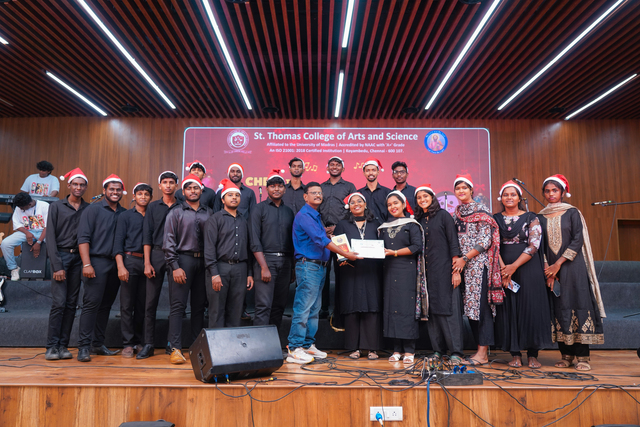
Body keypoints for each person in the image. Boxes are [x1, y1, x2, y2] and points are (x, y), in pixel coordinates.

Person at [286, 182, 358, 364]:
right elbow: (320, 240)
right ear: (305, 196)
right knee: (303, 307)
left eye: (320, 192)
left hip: (319, 266)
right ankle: (294, 348)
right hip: (308, 266)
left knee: (314, 309)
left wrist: (332, 238)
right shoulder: (305, 215)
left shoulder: (316, 215)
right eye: (314, 193)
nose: (318, 195)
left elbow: (322, 237)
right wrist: (346, 253)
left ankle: (308, 345)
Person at [538, 174, 605, 371]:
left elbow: (577, 240)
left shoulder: (572, 212)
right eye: (547, 191)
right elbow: (539, 244)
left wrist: (558, 263)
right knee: (559, 307)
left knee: (578, 304)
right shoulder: (540, 217)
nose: (551, 194)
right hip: (551, 271)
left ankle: (583, 357)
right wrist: (548, 270)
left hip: (573, 267)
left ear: (563, 192)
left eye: (555, 190)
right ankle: (566, 355)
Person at [493, 181, 552, 369]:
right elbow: (493, 245)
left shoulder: (531, 217)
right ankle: (515, 354)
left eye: (513, 194)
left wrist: (514, 266)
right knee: (509, 310)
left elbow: (534, 244)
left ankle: (533, 354)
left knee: (530, 308)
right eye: (506, 195)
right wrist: (504, 269)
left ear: (519, 198)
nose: (509, 197)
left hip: (528, 268)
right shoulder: (495, 219)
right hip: (503, 269)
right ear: (501, 198)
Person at [451, 174, 503, 366]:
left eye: (464, 187)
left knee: (482, 310)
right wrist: (458, 262)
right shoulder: (456, 213)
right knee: (470, 310)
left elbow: (485, 240)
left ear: (471, 190)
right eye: (458, 188)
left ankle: (483, 354)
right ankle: (478, 352)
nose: (461, 191)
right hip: (462, 268)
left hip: (479, 266)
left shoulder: (482, 211)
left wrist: (465, 258)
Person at [76, 175, 127, 362]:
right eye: (111, 189)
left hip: (116, 264)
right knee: (91, 305)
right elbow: (83, 238)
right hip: (96, 263)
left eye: (118, 189)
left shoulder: (124, 213)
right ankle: (83, 347)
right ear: (104, 190)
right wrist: (87, 264)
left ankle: (97, 344)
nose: (115, 192)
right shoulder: (92, 210)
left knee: (105, 306)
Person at [164, 174, 212, 364]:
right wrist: (175, 266)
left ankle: (196, 347)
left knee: (199, 306)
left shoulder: (209, 212)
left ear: (201, 190)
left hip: (203, 263)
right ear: (183, 192)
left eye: (196, 188)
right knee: (178, 306)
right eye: (189, 188)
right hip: (182, 261)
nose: (193, 191)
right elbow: (168, 242)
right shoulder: (175, 213)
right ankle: (175, 348)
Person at [414, 184, 464, 365]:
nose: (422, 200)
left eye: (425, 196)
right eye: (419, 197)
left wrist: (456, 272)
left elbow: (453, 243)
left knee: (449, 311)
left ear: (432, 197)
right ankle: (438, 351)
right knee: (432, 311)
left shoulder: (444, 216)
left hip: (445, 271)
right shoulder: (418, 220)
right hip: (427, 274)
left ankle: (456, 352)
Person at [44, 168, 89, 361]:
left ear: (85, 187)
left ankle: (63, 345)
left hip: (79, 259)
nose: (78, 187)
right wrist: (57, 266)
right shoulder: (56, 206)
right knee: (59, 303)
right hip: (61, 257)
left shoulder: (88, 208)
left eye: (82, 185)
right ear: (69, 185)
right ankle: (51, 347)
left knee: (71, 304)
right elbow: (50, 237)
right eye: (75, 184)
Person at [379, 191, 426, 364]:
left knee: (406, 309)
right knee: (392, 309)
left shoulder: (412, 224)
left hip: (407, 271)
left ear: (404, 204)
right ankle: (396, 349)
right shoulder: (383, 227)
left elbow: (417, 247)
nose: (393, 207)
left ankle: (409, 350)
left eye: (396, 203)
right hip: (389, 271)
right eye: (389, 204)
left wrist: (395, 252)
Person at [334, 192, 382, 360]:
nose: (356, 204)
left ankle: (372, 348)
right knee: (352, 307)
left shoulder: (376, 224)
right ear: (349, 207)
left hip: (372, 271)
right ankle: (354, 348)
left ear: (365, 204)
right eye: (352, 202)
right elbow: (338, 249)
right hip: (350, 272)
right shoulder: (342, 225)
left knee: (372, 307)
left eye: (359, 201)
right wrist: (342, 259)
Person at [138, 171, 180, 359]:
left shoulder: (182, 206)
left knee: (175, 302)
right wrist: (147, 262)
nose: (168, 185)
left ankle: (172, 344)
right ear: (160, 186)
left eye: (171, 182)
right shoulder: (153, 207)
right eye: (165, 182)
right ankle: (149, 343)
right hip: (156, 254)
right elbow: (146, 236)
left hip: (176, 256)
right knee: (150, 302)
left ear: (176, 185)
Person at [249, 170, 294, 337]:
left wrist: (292, 268)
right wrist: (263, 266)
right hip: (265, 261)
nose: (276, 189)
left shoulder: (289, 211)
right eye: (273, 186)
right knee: (263, 306)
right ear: (267, 189)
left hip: (286, 263)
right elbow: (254, 239)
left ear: (285, 189)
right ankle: (260, 346)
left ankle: (273, 343)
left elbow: (292, 241)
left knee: (279, 306)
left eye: (280, 186)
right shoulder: (258, 209)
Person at [205, 179, 254, 327]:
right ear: (222, 199)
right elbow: (209, 248)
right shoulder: (215, 219)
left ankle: (232, 342)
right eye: (230, 195)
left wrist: (249, 273)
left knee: (236, 311)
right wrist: (214, 273)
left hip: (240, 269)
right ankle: (216, 343)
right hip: (220, 268)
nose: (234, 198)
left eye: (237, 195)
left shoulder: (244, 220)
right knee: (217, 311)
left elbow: (248, 248)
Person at [113, 183, 153, 358]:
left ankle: (138, 341)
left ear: (151, 197)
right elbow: (118, 242)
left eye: (146, 194)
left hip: (149, 263)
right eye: (140, 194)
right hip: (130, 261)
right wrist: (120, 266)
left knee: (143, 305)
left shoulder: (153, 215)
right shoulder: (125, 216)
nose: (143, 197)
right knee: (127, 305)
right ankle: (128, 343)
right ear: (134, 196)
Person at [318, 157, 357, 318]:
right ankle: (323, 308)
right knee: (323, 272)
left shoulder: (349, 186)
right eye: (332, 165)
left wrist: (338, 227)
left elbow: (353, 208)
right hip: (323, 235)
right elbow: (316, 208)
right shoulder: (321, 187)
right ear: (327, 168)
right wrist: (322, 228)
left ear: (343, 168)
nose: (334, 167)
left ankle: (340, 309)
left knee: (342, 271)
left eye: (338, 165)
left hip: (342, 235)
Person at [1, 193, 49, 282]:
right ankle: (14, 269)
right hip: (27, 231)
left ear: (29, 204)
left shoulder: (45, 206)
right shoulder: (19, 208)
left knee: (57, 243)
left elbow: (48, 226)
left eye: (23, 208)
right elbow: (17, 224)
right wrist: (27, 233)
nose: (21, 209)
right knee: (5, 243)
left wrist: (38, 242)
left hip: (44, 232)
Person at [357, 158, 391, 223]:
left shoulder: (387, 192)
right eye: (367, 170)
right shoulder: (359, 194)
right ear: (364, 173)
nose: (371, 173)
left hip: (384, 227)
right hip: (365, 228)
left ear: (378, 172)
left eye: (373, 170)